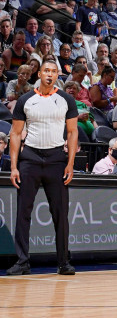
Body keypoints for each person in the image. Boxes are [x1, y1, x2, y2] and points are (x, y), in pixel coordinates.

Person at [6, 59, 79, 276]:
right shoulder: (26, 100)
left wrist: (70, 164)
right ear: (39, 73)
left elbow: (73, 132)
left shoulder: (66, 99)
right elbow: (16, 134)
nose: (49, 74)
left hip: (57, 159)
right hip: (29, 159)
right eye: (46, 70)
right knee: (23, 213)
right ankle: (22, 261)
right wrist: (14, 166)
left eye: (53, 71)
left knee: (60, 213)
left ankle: (63, 262)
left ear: (58, 75)